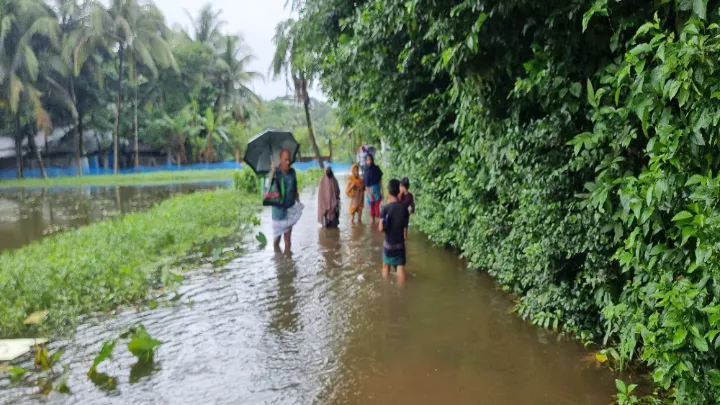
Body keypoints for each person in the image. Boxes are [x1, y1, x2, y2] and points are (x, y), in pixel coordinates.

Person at [270, 149, 302, 252]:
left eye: (289, 159)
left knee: (288, 241)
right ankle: (278, 261)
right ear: (280, 160)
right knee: (277, 240)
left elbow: (295, 188)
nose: (288, 162)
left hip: (289, 209)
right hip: (278, 212)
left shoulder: (292, 172)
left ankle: (288, 264)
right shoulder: (275, 172)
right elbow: (268, 189)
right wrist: (272, 174)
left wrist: (298, 201)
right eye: (286, 159)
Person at [378, 178, 409, 284]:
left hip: (389, 245)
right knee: (401, 270)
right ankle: (401, 294)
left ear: (388, 192)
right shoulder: (404, 208)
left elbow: (380, 228)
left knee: (386, 267)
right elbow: (405, 230)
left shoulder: (385, 208)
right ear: (398, 191)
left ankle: (387, 290)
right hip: (400, 244)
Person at [363, 154, 383, 225]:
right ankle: (373, 222)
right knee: (371, 207)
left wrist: (382, 192)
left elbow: (380, 181)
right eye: (367, 160)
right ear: (365, 161)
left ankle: (378, 223)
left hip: (377, 190)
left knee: (377, 207)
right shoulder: (365, 170)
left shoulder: (376, 168)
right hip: (369, 191)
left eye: (370, 159)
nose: (369, 161)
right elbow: (365, 185)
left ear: (372, 160)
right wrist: (369, 194)